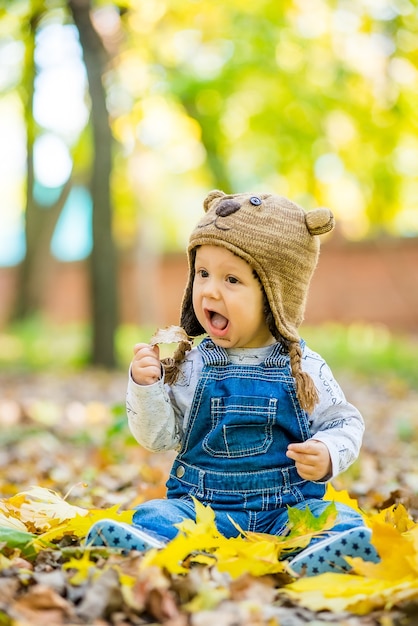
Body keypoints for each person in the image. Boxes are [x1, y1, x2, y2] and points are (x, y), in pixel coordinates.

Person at [86, 190, 379, 576]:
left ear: (275, 297)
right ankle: (149, 544)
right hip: (201, 509)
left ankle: (319, 551)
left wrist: (328, 452)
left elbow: (344, 422)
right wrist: (147, 387)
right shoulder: (192, 364)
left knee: (332, 517)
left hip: (286, 509)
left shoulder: (303, 367)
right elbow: (159, 437)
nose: (208, 290)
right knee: (156, 514)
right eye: (203, 273)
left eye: (231, 279)